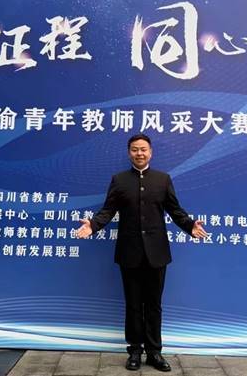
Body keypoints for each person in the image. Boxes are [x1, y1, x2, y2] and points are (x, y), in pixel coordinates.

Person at [76, 133, 207, 372]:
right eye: (135, 149)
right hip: (130, 252)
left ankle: (154, 352)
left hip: (157, 253)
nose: (139, 153)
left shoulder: (163, 179)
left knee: (154, 305)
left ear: (150, 152)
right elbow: (107, 211)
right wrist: (92, 225)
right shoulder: (119, 180)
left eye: (143, 149)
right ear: (129, 153)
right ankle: (135, 351)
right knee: (134, 304)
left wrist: (190, 226)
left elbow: (175, 210)